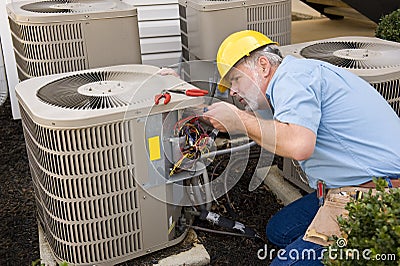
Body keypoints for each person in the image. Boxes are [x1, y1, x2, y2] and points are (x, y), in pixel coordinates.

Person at [202, 30, 400, 265]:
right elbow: (259, 123)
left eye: (235, 79)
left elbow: (298, 145)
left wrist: (240, 121)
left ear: (263, 66)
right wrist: (187, 97)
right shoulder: (296, 75)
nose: (232, 91)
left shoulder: (292, 79)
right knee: (279, 231)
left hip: (378, 193)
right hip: (352, 184)